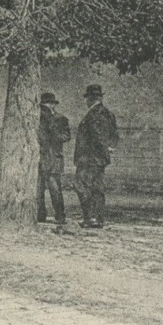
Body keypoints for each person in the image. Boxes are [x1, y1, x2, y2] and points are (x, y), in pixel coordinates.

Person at [73, 84, 120, 228]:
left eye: (86, 98)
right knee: (97, 188)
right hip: (100, 159)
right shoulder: (108, 113)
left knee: (80, 185)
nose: (85, 101)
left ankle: (90, 217)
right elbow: (115, 135)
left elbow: (97, 137)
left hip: (89, 158)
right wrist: (110, 148)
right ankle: (99, 218)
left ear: (90, 99)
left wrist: (103, 148)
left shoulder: (93, 115)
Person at [35, 91, 71, 233]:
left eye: (50, 104)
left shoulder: (60, 119)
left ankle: (60, 216)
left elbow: (66, 136)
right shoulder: (37, 119)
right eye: (45, 105)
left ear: (53, 105)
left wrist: (54, 133)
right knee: (38, 189)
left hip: (54, 158)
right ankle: (40, 215)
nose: (48, 107)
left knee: (55, 188)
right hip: (40, 157)